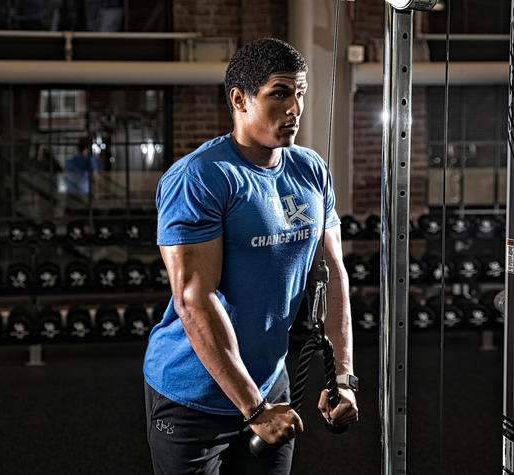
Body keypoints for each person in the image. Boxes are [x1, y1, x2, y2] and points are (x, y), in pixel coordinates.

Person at [143, 37, 359, 474]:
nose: (295, 108)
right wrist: (254, 409)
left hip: (269, 380)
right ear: (240, 99)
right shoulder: (202, 177)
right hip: (195, 391)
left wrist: (342, 377)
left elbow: (331, 273)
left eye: (300, 93)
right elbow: (192, 299)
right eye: (279, 93)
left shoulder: (310, 169)